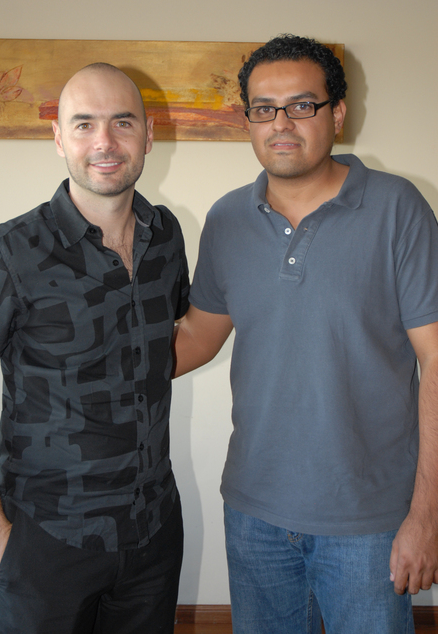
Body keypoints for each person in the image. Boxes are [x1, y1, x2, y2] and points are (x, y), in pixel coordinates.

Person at [173, 34, 438, 634]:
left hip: (368, 522)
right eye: (264, 108)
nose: (281, 123)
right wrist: (94, 350)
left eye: (301, 105)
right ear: (247, 119)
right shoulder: (227, 219)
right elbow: (196, 338)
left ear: (337, 114)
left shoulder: (398, 209)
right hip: (254, 514)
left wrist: (427, 514)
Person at [0, 63, 189, 634]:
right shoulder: (8, 251)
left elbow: (157, 346)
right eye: (84, 124)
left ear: (149, 135)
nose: (105, 142)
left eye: (123, 122)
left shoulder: (166, 236)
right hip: (46, 539)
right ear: (58, 138)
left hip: (152, 533)